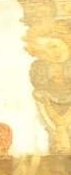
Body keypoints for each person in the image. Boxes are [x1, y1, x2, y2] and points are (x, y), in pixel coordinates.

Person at [25, 21, 71, 154]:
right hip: (52, 112)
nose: (50, 54)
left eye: (53, 46)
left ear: (66, 39)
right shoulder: (39, 69)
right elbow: (40, 93)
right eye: (42, 52)